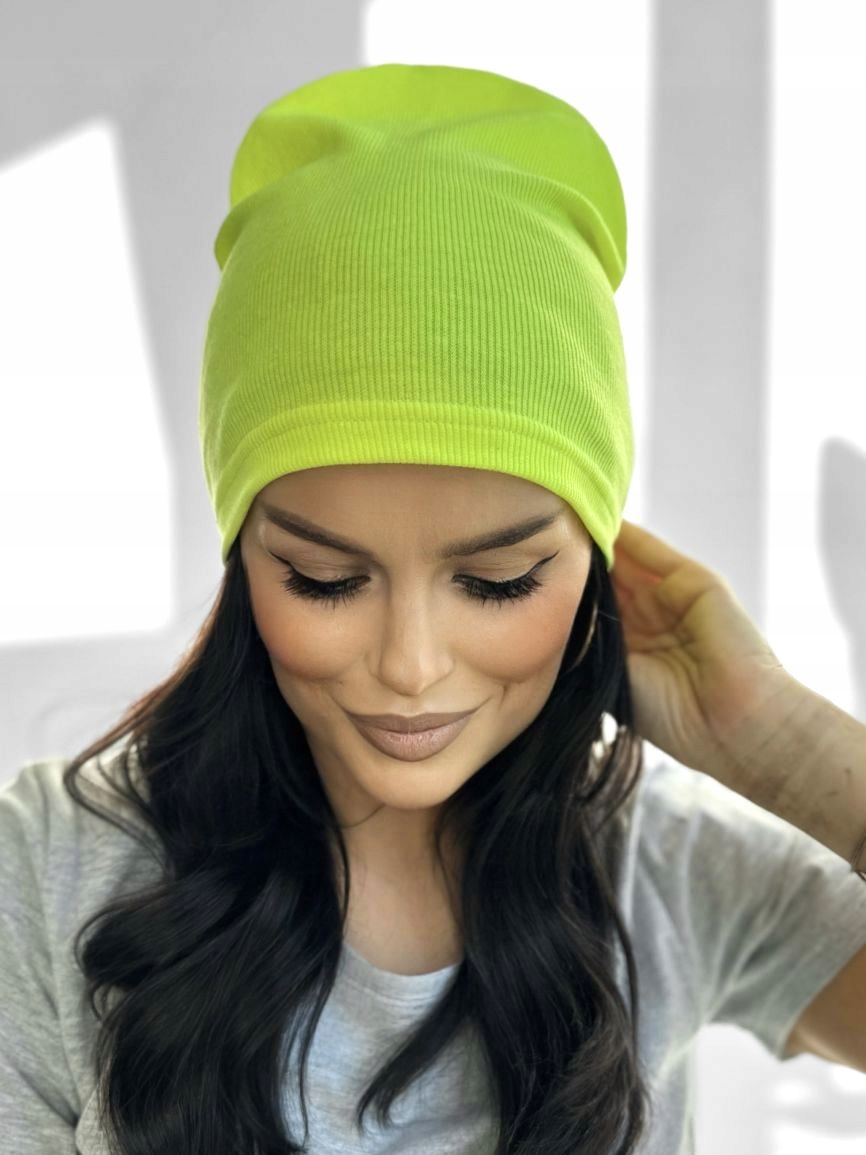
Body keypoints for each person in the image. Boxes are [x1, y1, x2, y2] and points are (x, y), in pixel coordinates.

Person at [2, 61, 866, 1155]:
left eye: (498, 582)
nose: (410, 665)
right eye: (323, 579)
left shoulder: (666, 866)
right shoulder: (48, 864)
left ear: (594, 567)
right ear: (241, 560)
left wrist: (786, 748)